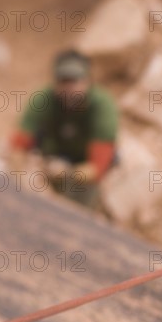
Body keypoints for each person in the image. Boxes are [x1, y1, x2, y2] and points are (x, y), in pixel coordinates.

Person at [10, 50, 118, 208]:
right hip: (50, 159)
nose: (69, 88)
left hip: (84, 167)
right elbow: (18, 145)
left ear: (87, 81)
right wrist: (21, 177)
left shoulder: (103, 106)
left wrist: (67, 174)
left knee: (78, 207)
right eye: (63, 81)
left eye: (74, 81)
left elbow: (98, 166)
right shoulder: (42, 99)